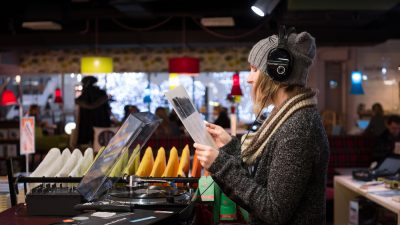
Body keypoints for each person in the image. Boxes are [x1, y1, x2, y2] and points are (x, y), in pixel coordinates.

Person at [194, 27, 329, 225]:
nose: (249, 79)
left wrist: (220, 164)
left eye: (255, 70)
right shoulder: (287, 116)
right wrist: (230, 145)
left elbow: (273, 211)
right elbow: (261, 179)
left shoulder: (299, 128)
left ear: (278, 71)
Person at [75, 76, 111, 145]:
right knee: (101, 143)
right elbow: (107, 110)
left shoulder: (83, 96)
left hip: (86, 125)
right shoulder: (101, 94)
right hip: (101, 123)